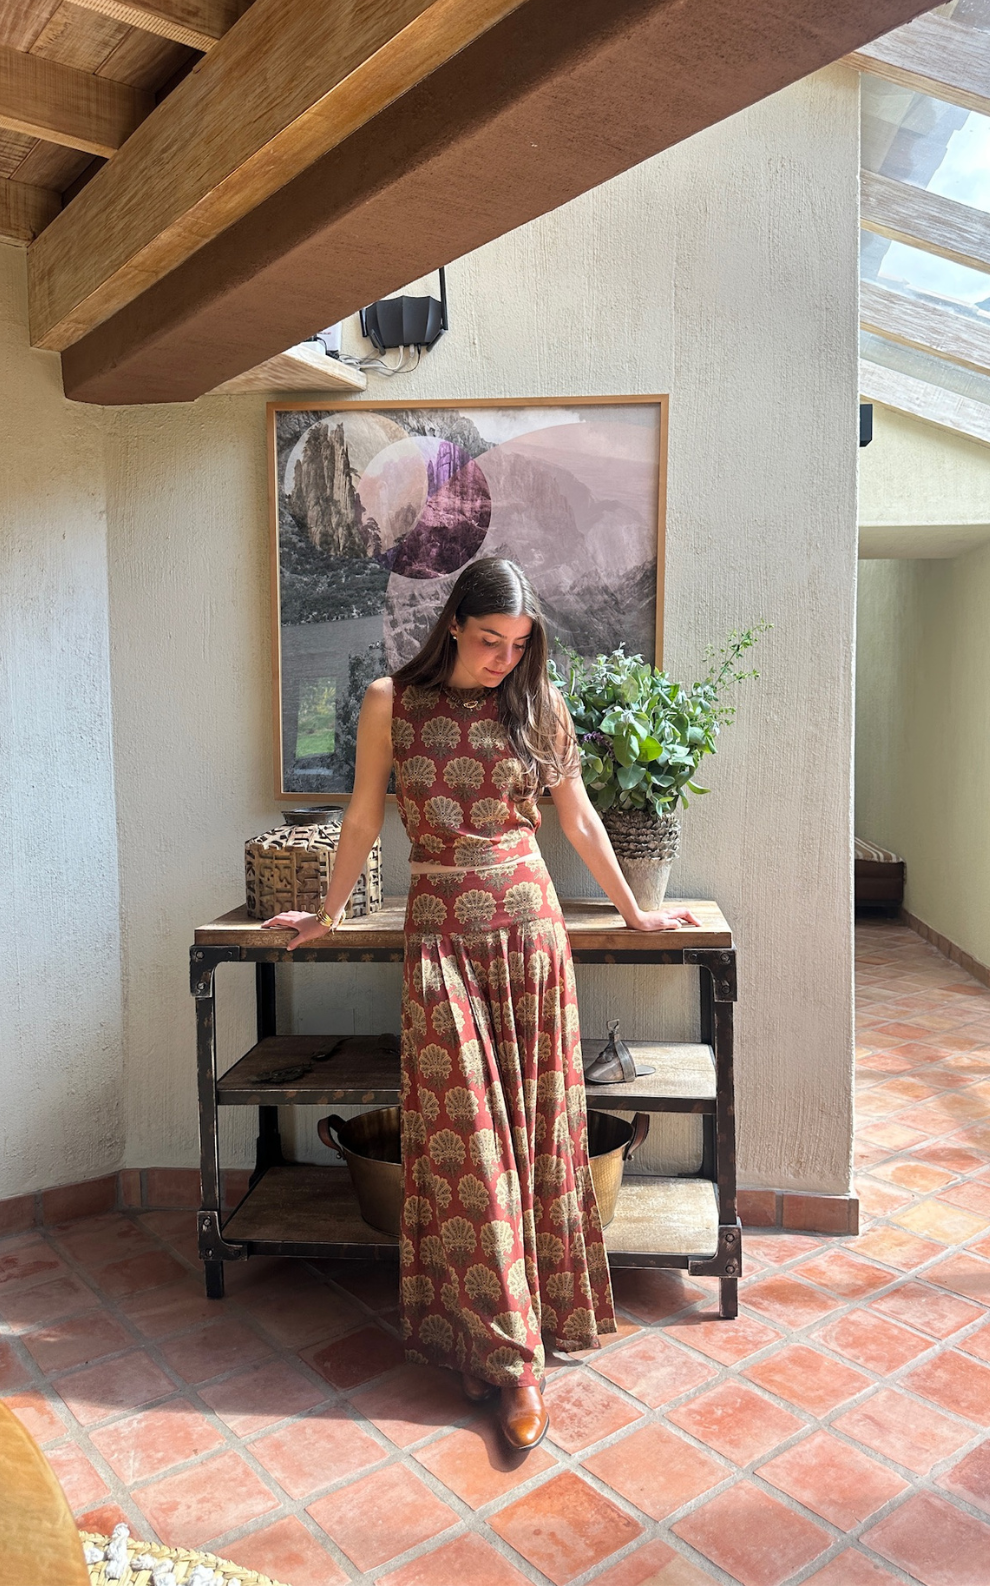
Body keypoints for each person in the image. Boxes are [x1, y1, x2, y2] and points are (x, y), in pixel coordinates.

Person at [262, 557, 700, 1449]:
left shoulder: (539, 704)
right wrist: (328, 913)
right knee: (464, 1145)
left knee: (534, 1140)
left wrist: (635, 912)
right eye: (491, 640)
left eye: (520, 644)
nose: (505, 658)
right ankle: (500, 1346)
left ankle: (512, 1359)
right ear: (455, 623)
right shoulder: (392, 702)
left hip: (530, 935)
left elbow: (579, 820)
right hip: (440, 940)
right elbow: (363, 818)